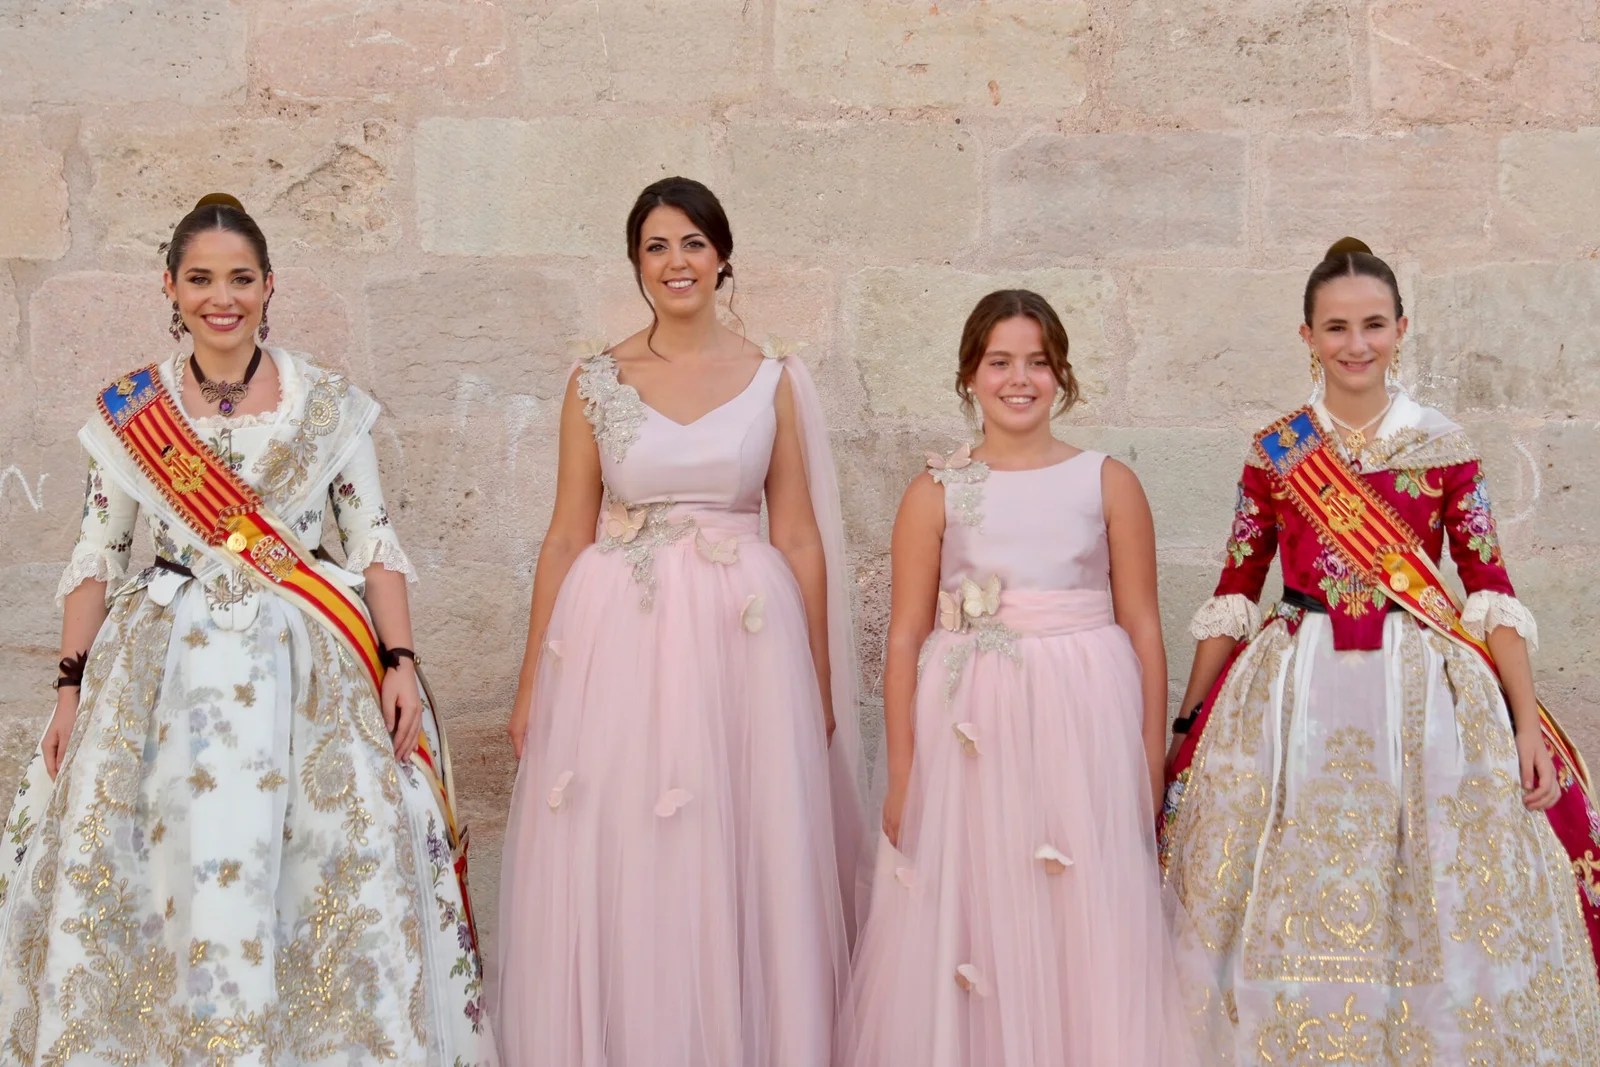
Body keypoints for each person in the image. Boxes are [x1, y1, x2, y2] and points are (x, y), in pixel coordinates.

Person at [0, 193, 494, 1065]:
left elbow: (372, 537)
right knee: (163, 868)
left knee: (322, 861)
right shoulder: (132, 409)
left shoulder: (330, 406)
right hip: (163, 676)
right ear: (170, 287)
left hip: (306, 663)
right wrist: (69, 689)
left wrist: (403, 659)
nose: (219, 297)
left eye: (238, 279)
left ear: (270, 287)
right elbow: (97, 551)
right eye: (199, 279)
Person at [1160, 237, 1600, 1063]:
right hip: (1293, 693)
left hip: (1423, 696)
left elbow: (1490, 587)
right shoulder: (1277, 450)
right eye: (1336, 327)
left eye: (1372, 324)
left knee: (1430, 883)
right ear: (1306, 336)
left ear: (1401, 328)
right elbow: (1233, 591)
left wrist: (1528, 725)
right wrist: (1187, 723)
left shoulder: (1443, 445)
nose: (1354, 343)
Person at [495, 176, 864, 1066]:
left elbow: (802, 536)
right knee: (628, 831)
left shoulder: (775, 376)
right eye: (657, 247)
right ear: (635, 264)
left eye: (693, 243)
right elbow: (564, 532)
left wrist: (815, 678)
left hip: (747, 637)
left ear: (723, 255)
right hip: (620, 633)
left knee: (739, 836)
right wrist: (532, 680)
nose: (677, 262)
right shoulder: (596, 380)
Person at [836, 290, 1197, 1066]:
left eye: (1037, 361)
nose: (1019, 378)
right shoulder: (936, 490)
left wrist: (1148, 756)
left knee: (1079, 897)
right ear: (970, 374)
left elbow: (1142, 625)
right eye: (1000, 361)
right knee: (980, 903)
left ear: (1061, 373)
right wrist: (903, 769)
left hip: (1082, 714)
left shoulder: (1108, 482)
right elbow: (905, 635)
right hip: (972, 724)